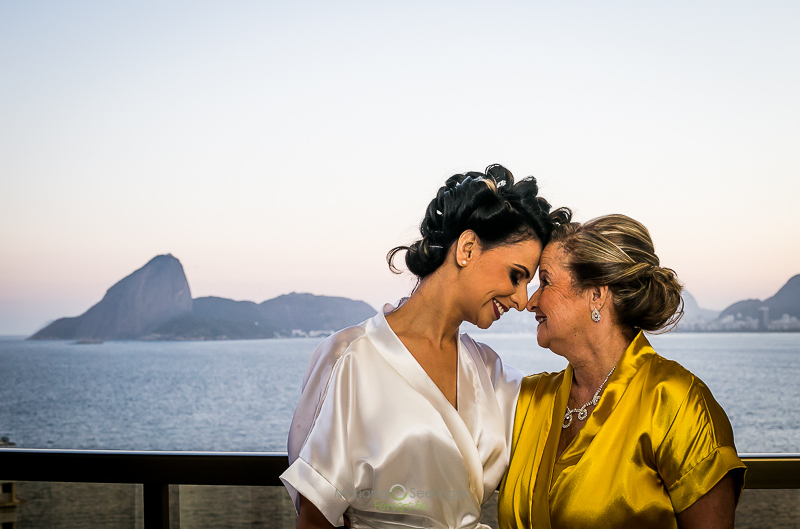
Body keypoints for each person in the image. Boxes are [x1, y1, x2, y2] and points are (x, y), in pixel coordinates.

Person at [281, 165, 568, 529]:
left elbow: (575, 406)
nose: (521, 299)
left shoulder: (488, 370)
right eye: (516, 275)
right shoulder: (353, 358)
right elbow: (314, 518)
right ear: (467, 248)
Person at [498, 214, 747, 528]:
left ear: (596, 294)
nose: (530, 302)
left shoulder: (677, 403)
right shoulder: (529, 399)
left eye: (545, 281)